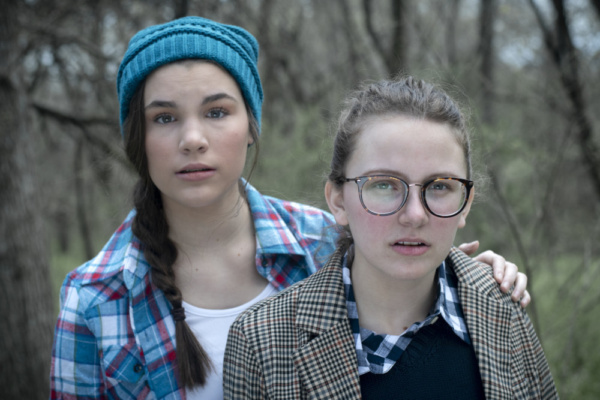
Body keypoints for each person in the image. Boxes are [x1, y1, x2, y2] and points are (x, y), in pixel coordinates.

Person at [50, 16, 530, 400]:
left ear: (251, 126)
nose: (193, 140)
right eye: (164, 117)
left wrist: (475, 276)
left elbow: (408, 259)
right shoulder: (94, 297)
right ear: (139, 137)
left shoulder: (320, 237)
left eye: (217, 112)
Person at [223, 76, 557, 399]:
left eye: (439, 186)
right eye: (383, 184)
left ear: (465, 203)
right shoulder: (262, 341)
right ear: (338, 200)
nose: (414, 215)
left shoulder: (502, 308)